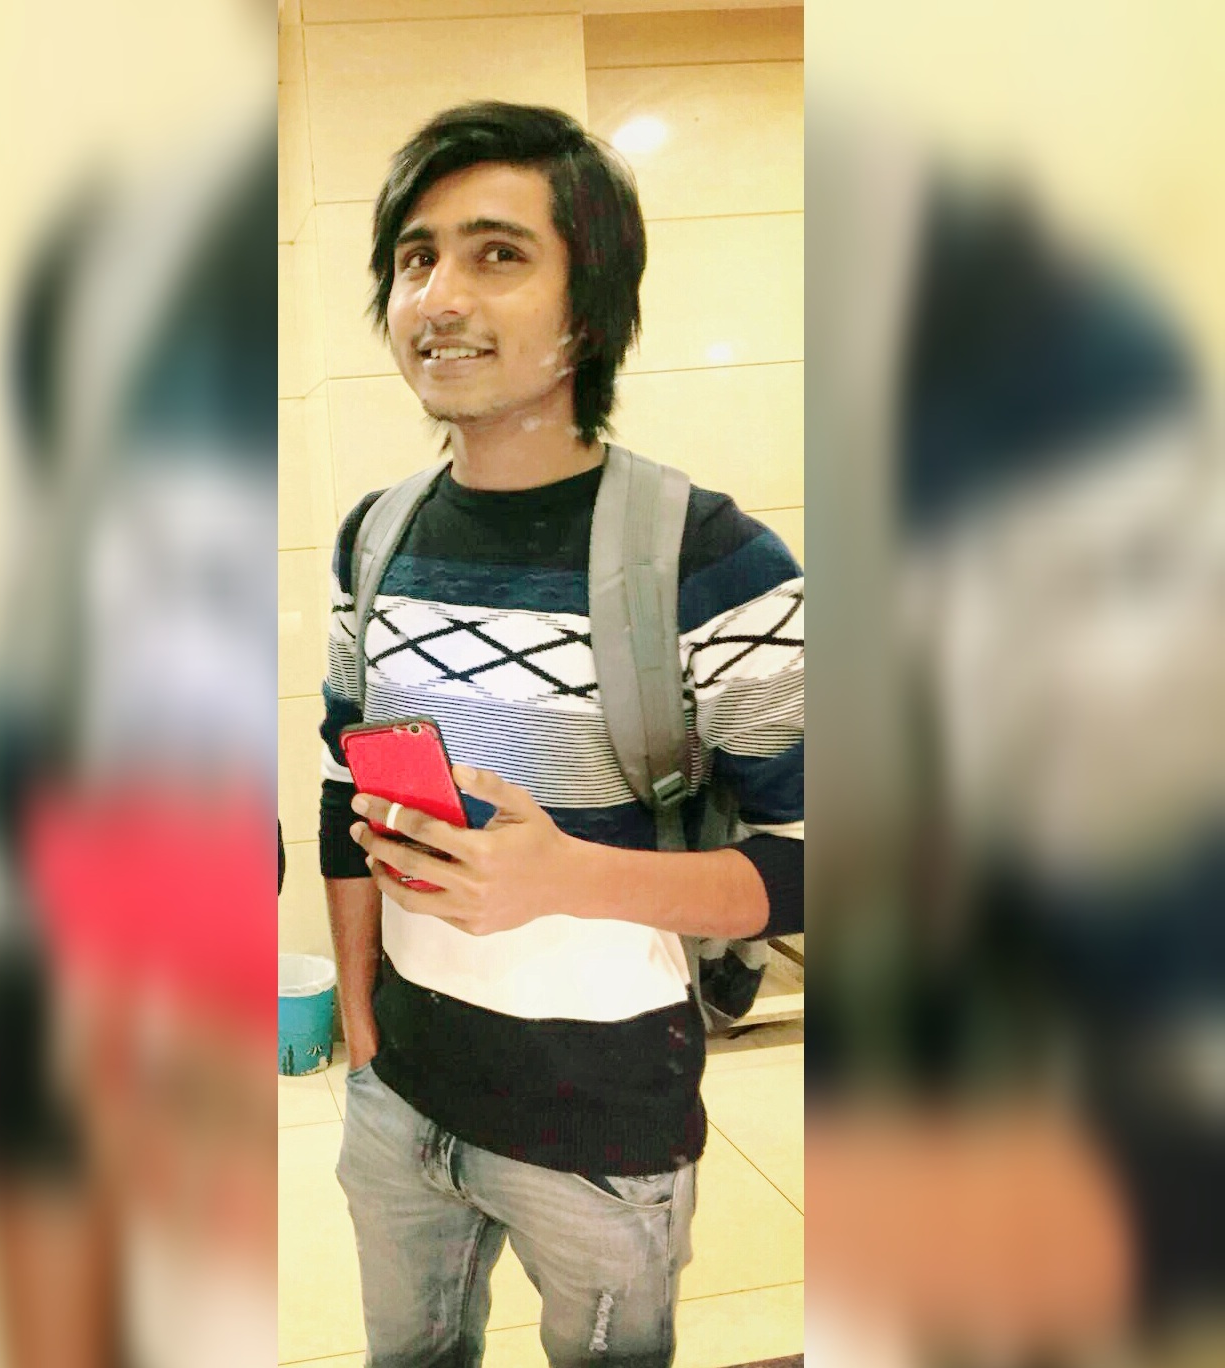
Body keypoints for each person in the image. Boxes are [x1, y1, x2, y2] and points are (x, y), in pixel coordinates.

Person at [318, 101, 804, 1368]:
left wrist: (566, 876)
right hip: (401, 1095)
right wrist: (361, 1023)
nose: (437, 297)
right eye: (415, 257)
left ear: (590, 307)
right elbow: (339, 779)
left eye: (497, 253)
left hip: (604, 1129)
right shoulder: (375, 535)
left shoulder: (712, 557)